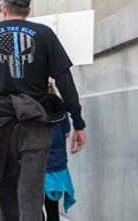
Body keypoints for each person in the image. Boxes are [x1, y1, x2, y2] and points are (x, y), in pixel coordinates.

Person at [0, 0, 86, 220]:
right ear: (29, 9)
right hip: (35, 124)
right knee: (31, 198)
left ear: (3, 9)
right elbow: (65, 81)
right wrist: (78, 122)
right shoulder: (44, 34)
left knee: (7, 200)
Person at [43, 80, 76, 221]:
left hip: (39, 164)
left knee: (34, 207)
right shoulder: (60, 108)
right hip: (57, 163)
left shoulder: (33, 108)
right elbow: (66, 133)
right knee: (53, 208)